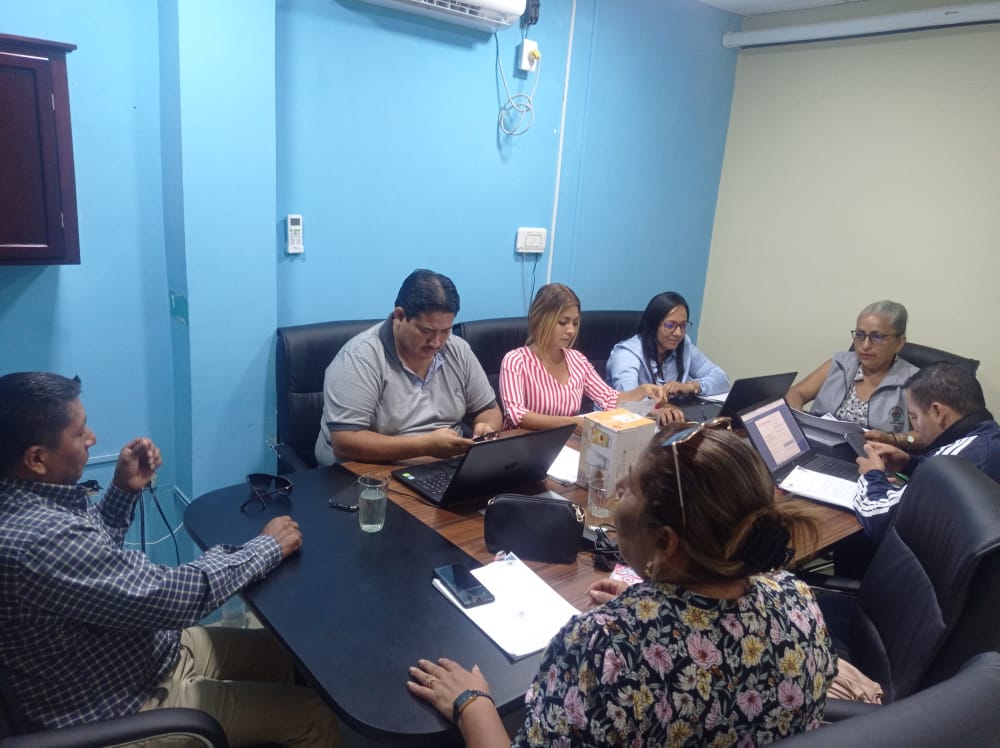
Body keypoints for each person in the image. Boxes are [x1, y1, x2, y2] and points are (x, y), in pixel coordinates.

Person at [407, 424, 836, 746]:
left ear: (665, 542)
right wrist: (648, 606)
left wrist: (472, 704)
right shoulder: (797, 599)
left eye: (629, 488)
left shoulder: (605, 647)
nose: (616, 490)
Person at [0, 372, 338, 745]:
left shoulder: (29, 502)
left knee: (288, 659)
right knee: (313, 714)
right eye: (80, 434)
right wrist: (265, 548)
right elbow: (172, 599)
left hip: (144, 655)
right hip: (124, 708)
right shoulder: (38, 539)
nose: (92, 438)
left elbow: (90, 554)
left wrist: (122, 490)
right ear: (36, 458)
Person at [315, 269, 503, 465]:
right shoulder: (359, 358)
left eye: (445, 331)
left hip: (446, 466)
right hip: (369, 470)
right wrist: (425, 446)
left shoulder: (458, 350)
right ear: (399, 316)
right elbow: (346, 442)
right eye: (426, 331)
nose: (436, 342)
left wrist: (486, 427)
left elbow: (488, 409)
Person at [499, 284, 684, 431]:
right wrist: (570, 423)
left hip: (565, 443)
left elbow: (609, 399)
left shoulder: (577, 360)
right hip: (526, 445)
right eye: (562, 322)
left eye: (575, 323)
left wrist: (643, 391)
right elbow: (516, 414)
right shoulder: (516, 360)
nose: (571, 330)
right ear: (540, 320)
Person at [854, 363, 1000, 542]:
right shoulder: (988, 436)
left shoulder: (952, 462)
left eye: (914, 416)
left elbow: (880, 518)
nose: (915, 427)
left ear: (937, 411)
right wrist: (909, 463)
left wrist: (871, 475)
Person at [786, 300, 919, 444]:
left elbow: (923, 437)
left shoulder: (914, 380)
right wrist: (797, 423)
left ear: (899, 343)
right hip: (820, 446)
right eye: (860, 335)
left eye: (877, 337)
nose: (865, 345)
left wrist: (894, 439)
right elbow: (795, 393)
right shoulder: (839, 363)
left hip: (875, 455)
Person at [607, 291, 729, 397]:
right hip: (628, 417)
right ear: (653, 326)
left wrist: (691, 387)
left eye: (683, 325)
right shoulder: (626, 354)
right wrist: (659, 409)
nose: (678, 333)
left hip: (671, 415)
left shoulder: (684, 345)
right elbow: (628, 400)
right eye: (670, 325)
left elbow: (721, 379)